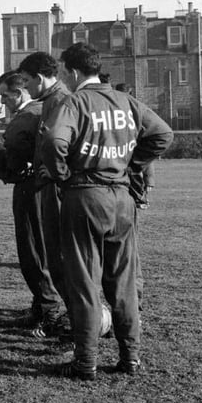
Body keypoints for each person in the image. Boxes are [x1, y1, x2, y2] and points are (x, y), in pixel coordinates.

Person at [41, 42, 172, 380]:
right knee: (124, 282)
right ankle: (130, 358)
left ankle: (85, 362)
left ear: (72, 71)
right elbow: (162, 134)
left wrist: (60, 173)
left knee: (84, 282)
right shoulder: (126, 101)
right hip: (122, 199)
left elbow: (56, 141)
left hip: (85, 195)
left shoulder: (74, 102)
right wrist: (133, 164)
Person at [0, 71, 64, 338]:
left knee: (33, 249)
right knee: (40, 247)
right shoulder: (42, 110)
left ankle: (50, 310)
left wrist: (4, 168)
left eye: (4, 96)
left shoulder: (26, 116)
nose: (2, 102)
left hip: (31, 188)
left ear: (19, 93)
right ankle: (41, 305)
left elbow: (14, 159)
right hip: (43, 186)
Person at [18, 52, 72, 328]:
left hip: (61, 192)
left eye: (27, 81)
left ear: (39, 79)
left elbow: (65, 144)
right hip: (50, 188)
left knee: (62, 259)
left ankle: (83, 322)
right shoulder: (51, 101)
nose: (25, 87)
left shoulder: (62, 101)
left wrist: (56, 171)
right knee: (53, 257)